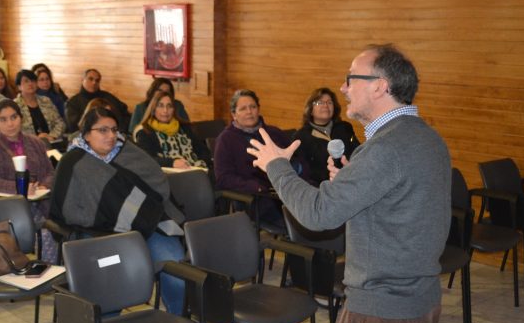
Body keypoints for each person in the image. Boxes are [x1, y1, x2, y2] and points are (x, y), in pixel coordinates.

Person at [247, 44, 450, 323]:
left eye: (352, 78)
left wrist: (276, 166)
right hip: (420, 304)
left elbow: (319, 214)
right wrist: (350, 187)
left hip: (381, 315)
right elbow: (398, 210)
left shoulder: (386, 148)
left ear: (380, 86)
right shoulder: (424, 138)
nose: (343, 88)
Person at [50, 106, 186, 314]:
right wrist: (111, 214)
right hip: (99, 232)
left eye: (114, 129)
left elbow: (157, 183)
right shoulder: (73, 162)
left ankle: (178, 322)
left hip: (147, 223)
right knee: (110, 275)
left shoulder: (129, 151)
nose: (111, 136)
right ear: (86, 134)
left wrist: (132, 213)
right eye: (103, 130)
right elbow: (66, 207)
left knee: (175, 267)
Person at [213, 89, 307, 228]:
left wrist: (297, 169)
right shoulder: (225, 140)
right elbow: (223, 178)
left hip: (289, 190)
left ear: (258, 109)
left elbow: (299, 161)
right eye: (243, 108)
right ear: (234, 114)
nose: (249, 112)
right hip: (258, 198)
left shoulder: (274, 133)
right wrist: (253, 186)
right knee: (301, 225)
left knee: (316, 216)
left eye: (253, 107)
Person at [0, 100, 57, 262]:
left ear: (21, 118)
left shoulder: (35, 142)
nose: (10, 123)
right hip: (9, 207)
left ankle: (55, 273)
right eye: (3, 119)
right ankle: (45, 275)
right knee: (45, 234)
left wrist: (43, 185)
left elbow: (50, 172)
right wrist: (21, 188)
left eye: (14, 117)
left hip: (41, 202)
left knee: (60, 228)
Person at [294, 87, 360, 185]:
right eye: (320, 102)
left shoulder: (345, 128)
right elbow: (303, 173)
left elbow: (358, 152)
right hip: (319, 188)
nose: (325, 105)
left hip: (350, 181)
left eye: (329, 102)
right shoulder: (301, 136)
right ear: (310, 110)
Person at [134, 89, 209, 169]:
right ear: (153, 109)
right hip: (170, 174)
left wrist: (202, 163)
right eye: (160, 106)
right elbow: (147, 159)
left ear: (174, 109)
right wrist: (172, 162)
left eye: (169, 106)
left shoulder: (185, 127)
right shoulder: (145, 132)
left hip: (196, 169)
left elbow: (203, 151)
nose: (165, 111)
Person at [64, 68, 130, 133]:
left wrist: (121, 130)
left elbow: (125, 113)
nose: (94, 82)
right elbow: (74, 127)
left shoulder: (108, 97)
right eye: (90, 79)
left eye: (97, 80)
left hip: (117, 133)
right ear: (82, 80)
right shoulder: (73, 103)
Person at [14, 69, 65, 143]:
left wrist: (51, 136)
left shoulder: (46, 101)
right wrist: (36, 139)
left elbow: (60, 123)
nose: (30, 83)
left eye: (33, 80)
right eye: (26, 81)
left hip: (51, 142)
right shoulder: (14, 106)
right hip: (28, 146)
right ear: (19, 86)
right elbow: (14, 132)